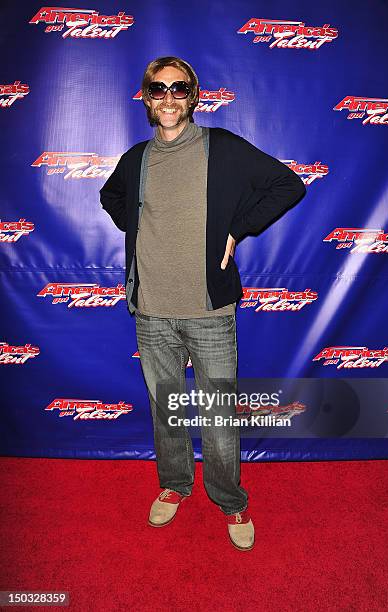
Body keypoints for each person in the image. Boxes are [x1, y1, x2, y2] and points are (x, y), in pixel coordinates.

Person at [100, 56, 306, 551]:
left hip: (209, 311)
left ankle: (230, 500)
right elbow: (112, 198)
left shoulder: (221, 148)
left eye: (178, 88)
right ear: (146, 98)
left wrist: (237, 229)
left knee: (217, 418)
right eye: (158, 89)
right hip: (150, 309)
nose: (168, 98)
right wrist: (143, 230)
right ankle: (174, 484)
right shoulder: (137, 159)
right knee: (166, 410)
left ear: (192, 96)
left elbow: (288, 184)